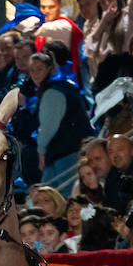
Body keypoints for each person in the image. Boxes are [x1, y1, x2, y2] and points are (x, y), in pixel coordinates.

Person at [26, 52, 93, 190]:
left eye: (40, 69)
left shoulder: (53, 92)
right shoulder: (61, 87)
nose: (35, 74)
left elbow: (48, 127)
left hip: (66, 152)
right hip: (65, 150)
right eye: (32, 70)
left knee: (60, 195)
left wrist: (41, 151)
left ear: (50, 69)